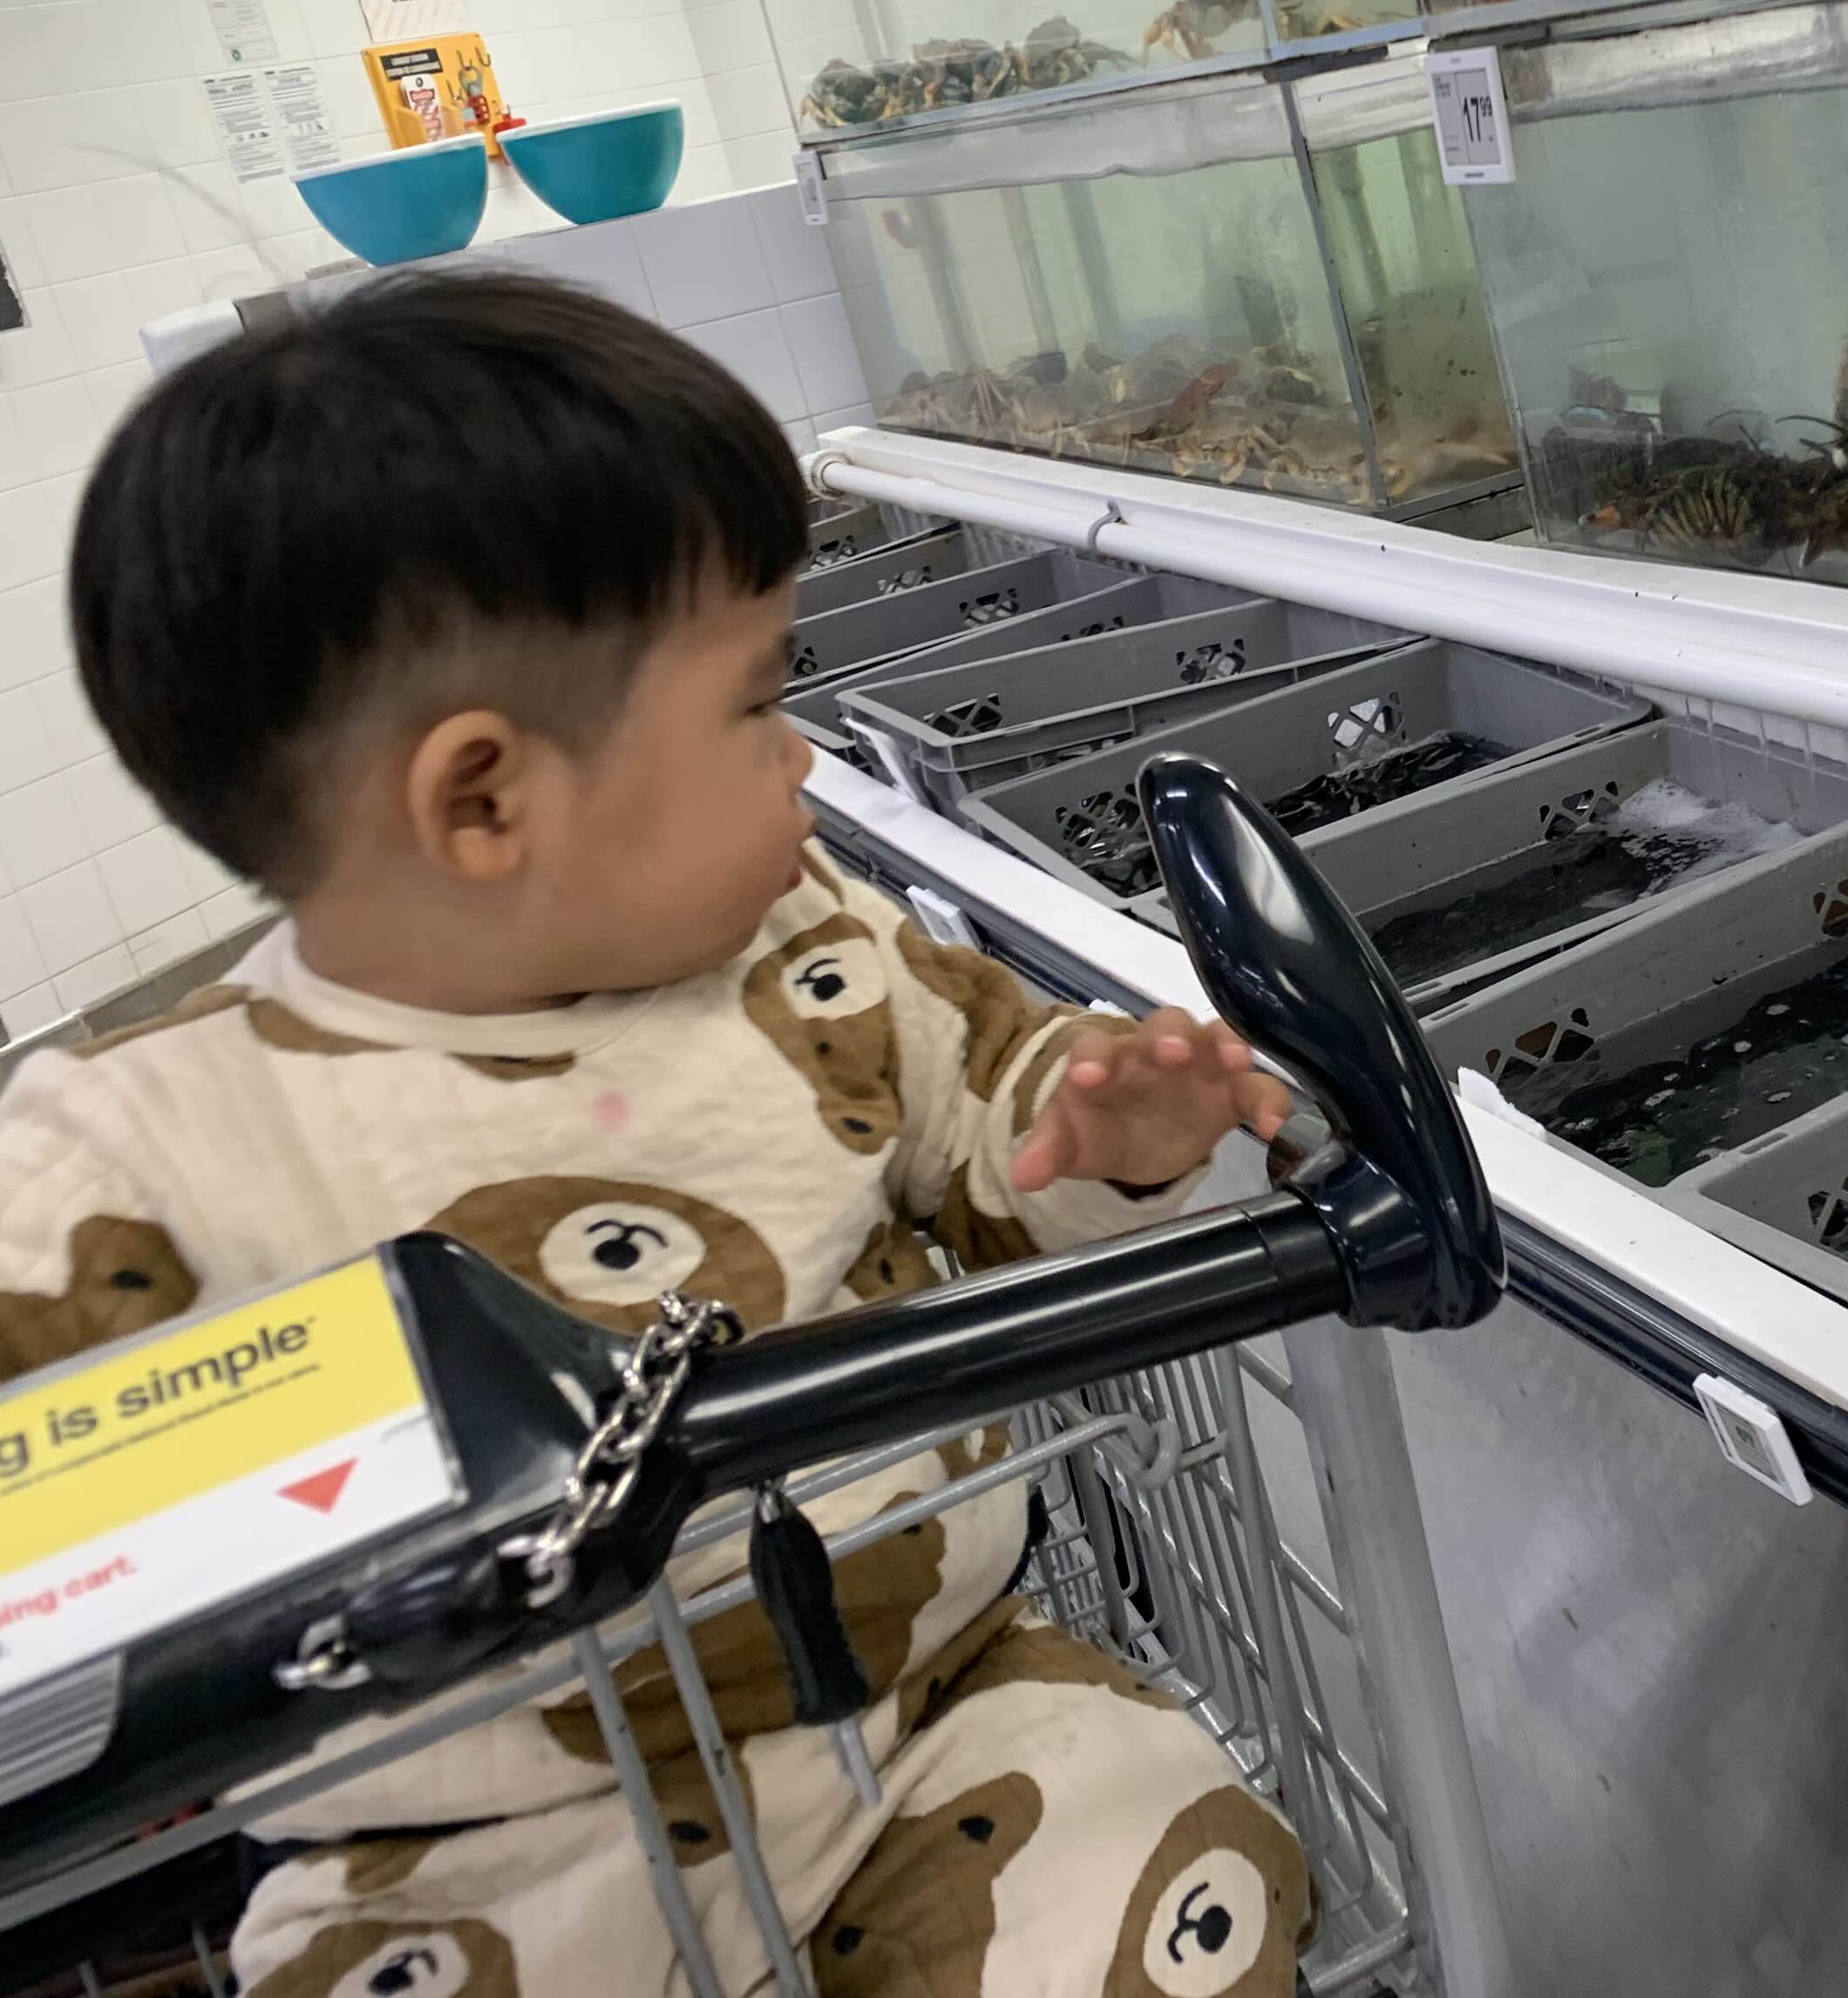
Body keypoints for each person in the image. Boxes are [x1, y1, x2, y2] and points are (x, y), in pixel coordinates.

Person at [3, 271, 1309, 1998]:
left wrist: (1108, 1125)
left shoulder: (814, 953)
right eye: (759, 703)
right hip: (469, 1857)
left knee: (1177, 1864)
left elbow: (999, 1122)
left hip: (934, 1719)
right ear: (486, 798)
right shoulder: (128, 1152)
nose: (805, 759)